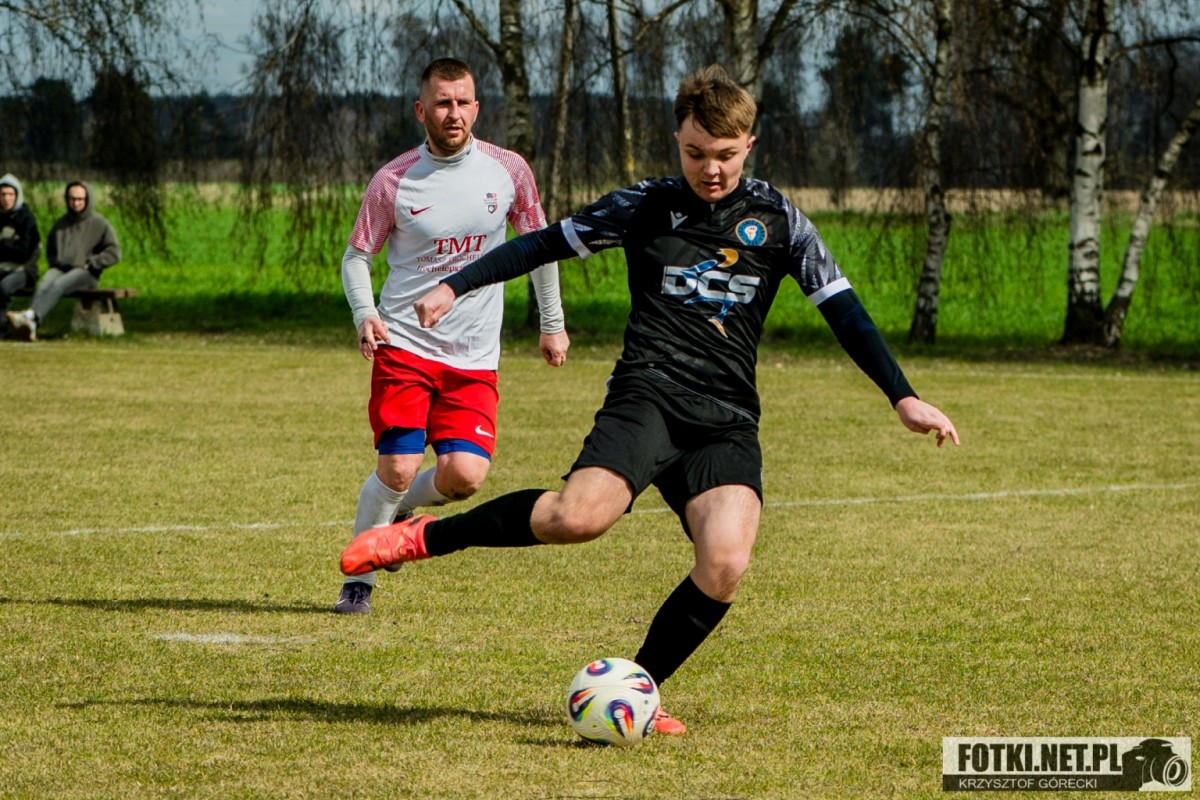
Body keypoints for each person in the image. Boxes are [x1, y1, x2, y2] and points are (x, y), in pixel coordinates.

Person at [341, 65, 959, 734]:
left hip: (725, 419)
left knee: (725, 562)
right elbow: (542, 243)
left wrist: (903, 396)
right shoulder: (644, 205)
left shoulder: (779, 220)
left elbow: (845, 311)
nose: (710, 169)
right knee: (577, 518)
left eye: (725, 155)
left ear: (749, 145)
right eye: (695, 153)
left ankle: (639, 690)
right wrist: (455, 285)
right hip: (649, 398)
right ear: (677, 143)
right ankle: (423, 535)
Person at [335, 57, 571, 615]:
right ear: (422, 111)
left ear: (477, 108)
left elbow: (541, 248)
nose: (454, 113)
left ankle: (396, 516)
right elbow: (356, 256)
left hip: (474, 356)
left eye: (463, 102)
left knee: (465, 476)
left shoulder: (508, 171)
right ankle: (360, 579)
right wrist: (365, 313)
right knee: (398, 468)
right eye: (442, 103)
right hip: (405, 344)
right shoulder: (394, 180)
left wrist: (552, 323)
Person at [6, 180, 120, 342]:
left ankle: (30, 316)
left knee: (59, 285)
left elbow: (114, 252)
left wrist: (93, 262)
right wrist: (56, 263)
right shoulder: (60, 224)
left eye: (80, 199)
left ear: (87, 199)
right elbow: (51, 249)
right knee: (44, 283)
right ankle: (31, 323)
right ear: (67, 199)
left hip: (86, 273)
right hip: (61, 269)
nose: (76, 203)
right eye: (72, 199)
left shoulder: (100, 224)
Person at [0, 174, 41, 337]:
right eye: (3, 194)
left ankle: (4, 327)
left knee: (4, 287)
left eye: (10, 194)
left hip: (24, 270)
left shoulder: (26, 220)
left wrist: (3, 249)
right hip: (2, 267)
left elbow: (23, 253)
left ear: (17, 196)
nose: (6, 199)